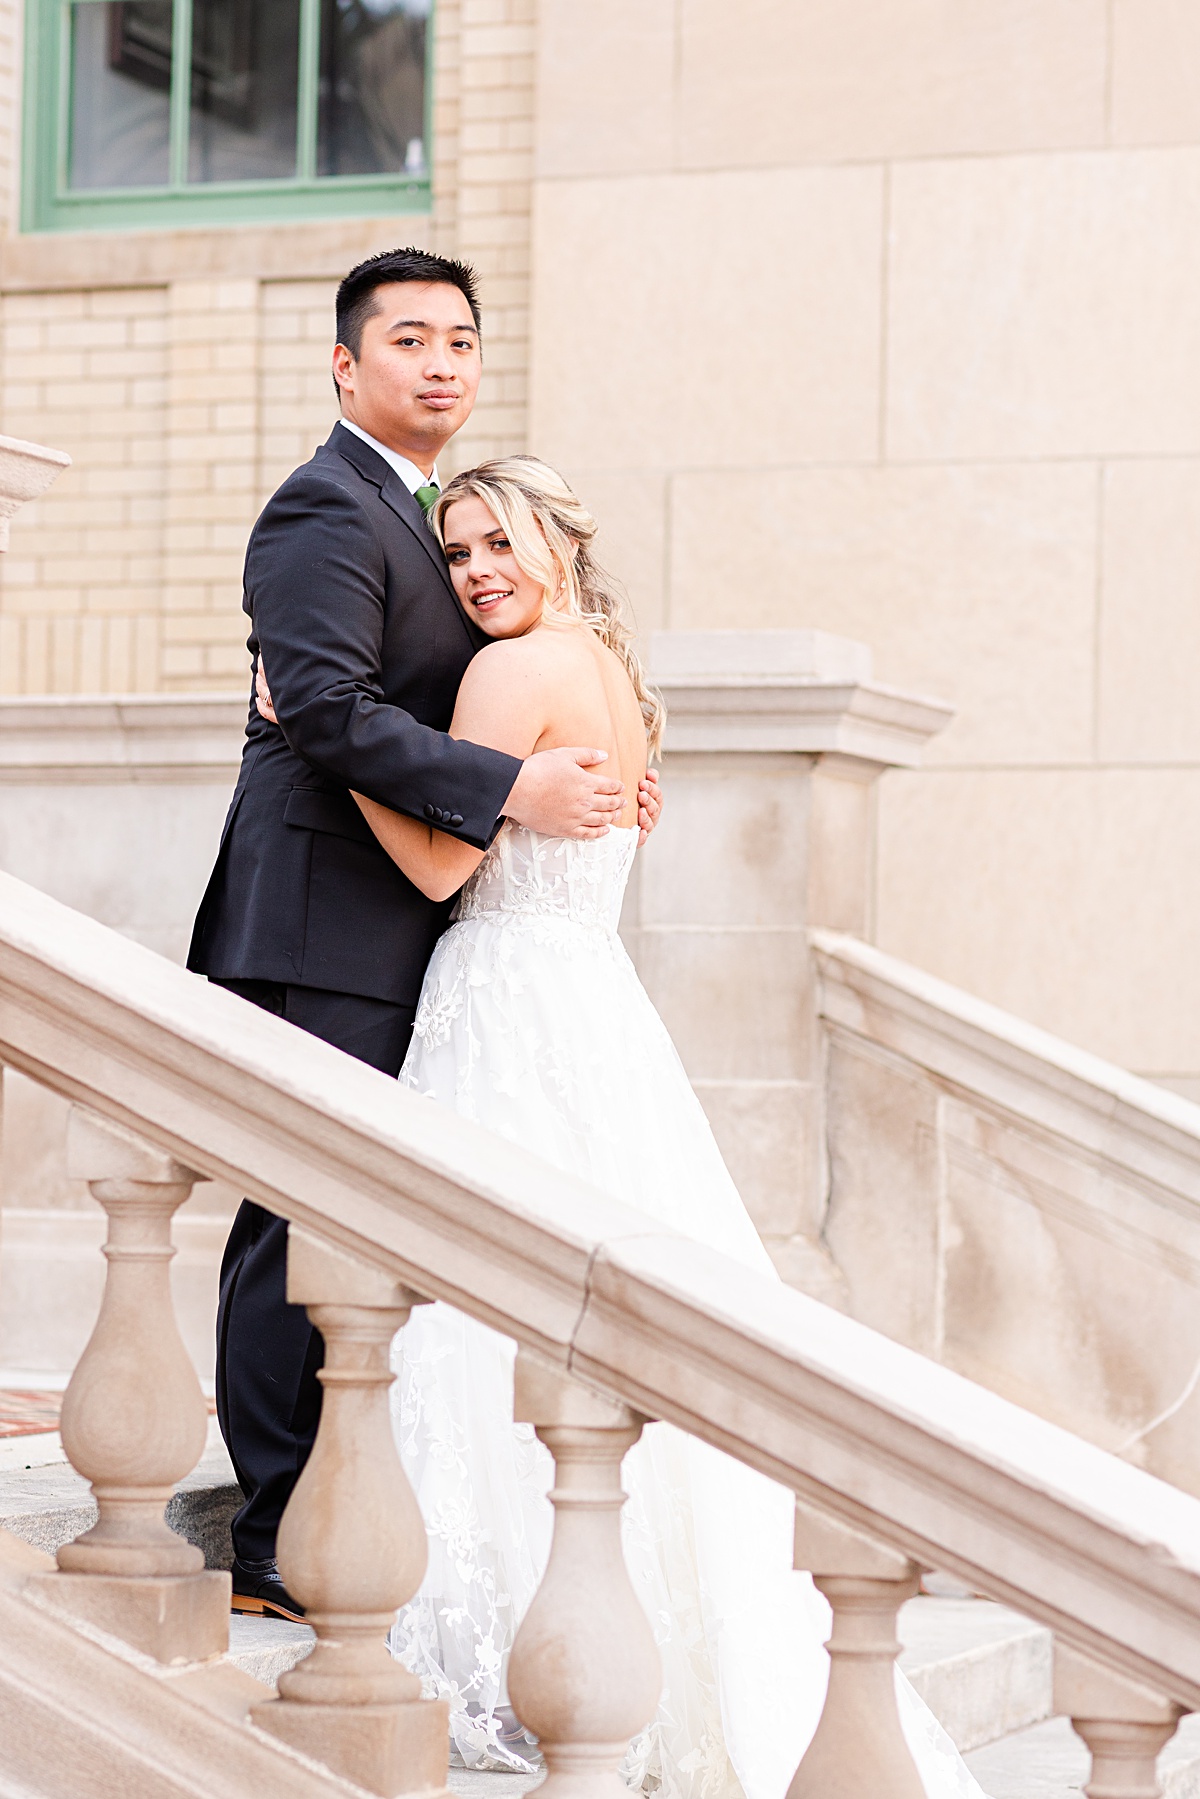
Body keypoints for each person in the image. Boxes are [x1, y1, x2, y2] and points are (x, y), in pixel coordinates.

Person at [309, 457, 984, 1799]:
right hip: (593, 1006)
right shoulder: (614, 675)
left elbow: (445, 865)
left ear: (560, 540)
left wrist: (329, 742)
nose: (478, 571)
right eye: (457, 554)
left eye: (500, 540)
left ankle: (510, 1629)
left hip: (505, 998)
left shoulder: (507, 674)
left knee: (485, 1310)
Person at [186, 247, 662, 1621]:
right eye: (409, 340)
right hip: (322, 922)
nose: (441, 361)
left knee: (362, 1227)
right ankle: (274, 1532)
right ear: (347, 365)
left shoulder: (434, 514)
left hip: (432, 923)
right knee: (295, 1218)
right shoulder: (322, 510)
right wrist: (511, 788)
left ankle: (343, 1500)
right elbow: (324, 709)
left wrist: (584, 775)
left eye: (460, 339)